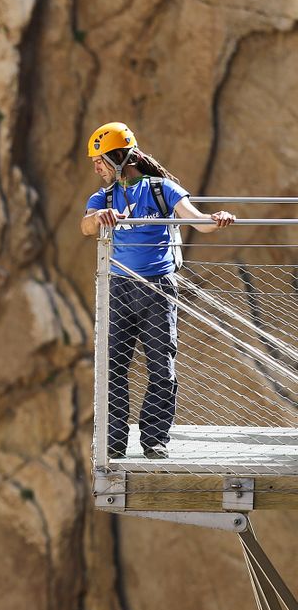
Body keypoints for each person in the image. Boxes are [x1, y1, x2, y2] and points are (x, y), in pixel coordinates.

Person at [80, 122, 235, 459]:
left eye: (99, 160)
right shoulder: (102, 197)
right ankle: (114, 443)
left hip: (158, 289)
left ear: (119, 157)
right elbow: (86, 225)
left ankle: (154, 440)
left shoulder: (162, 190)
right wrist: (100, 217)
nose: (96, 167)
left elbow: (199, 222)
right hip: (118, 287)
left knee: (161, 366)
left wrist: (217, 218)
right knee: (114, 366)